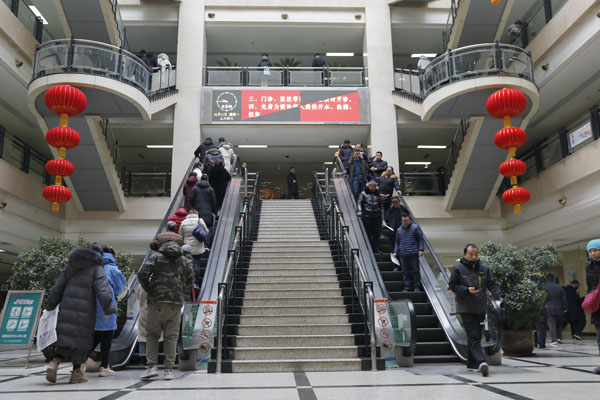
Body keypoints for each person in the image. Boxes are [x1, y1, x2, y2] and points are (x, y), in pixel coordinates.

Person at [45, 244, 117, 384]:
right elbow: (103, 290)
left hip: (67, 308)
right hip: (86, 312)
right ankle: (76, 373)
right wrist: (108, 309)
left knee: (65, 339)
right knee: (82, 342)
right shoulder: (97, 268)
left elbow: (58, 286)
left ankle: (54, 362)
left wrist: (50, 305)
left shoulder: (71, 266)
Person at [137, 240, 194, 380]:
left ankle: (152, 367)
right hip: (175, 302)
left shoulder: (156, 257)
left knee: (152, 335)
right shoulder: (184, 260)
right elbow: (191, 278)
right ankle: (168, 370)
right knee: (171, 337)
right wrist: (180, 291)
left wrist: (150, 289)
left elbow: (142, 273)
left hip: (156, 301)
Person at [449, 244, 503, 377]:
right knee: (473, 335)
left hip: (480, 308)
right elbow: (453, 285)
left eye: (476, 254)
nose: (473, 257)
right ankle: (481, 362)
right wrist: (466, 290)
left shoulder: (484, 269)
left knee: (476, 336)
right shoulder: (458, 268)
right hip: (466, 308)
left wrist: (500, 296)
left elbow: (492, 285)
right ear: (464, 254)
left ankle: (472, 364)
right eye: (470, 254)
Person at [86, 246, 127, 377]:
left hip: (91, 309)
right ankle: (104, 367)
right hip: (107, 308)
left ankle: (79, 365)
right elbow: (120, 288)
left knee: (92, 338)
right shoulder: (112, 269)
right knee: (106, 339)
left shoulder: (91, 269)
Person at [392, 213, 424, 289]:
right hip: (403, 254)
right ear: (401, 221)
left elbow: (420, 239)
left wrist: (421, 249)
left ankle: (417, 287)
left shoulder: (415, 228)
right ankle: (407, 287)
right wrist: (395, 251)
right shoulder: (399, 230)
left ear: (409, 220)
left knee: (415, 271)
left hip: (413, 253)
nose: (405, 222)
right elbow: (397, 242)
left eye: (407, 220)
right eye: (404, 220)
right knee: (405, 271)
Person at [179, 210, 209, 284]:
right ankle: (195, 282)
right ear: (197, 214)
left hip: (187, 247)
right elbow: (206, 231)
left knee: (187, 263)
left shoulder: (183, 222)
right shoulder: (199, 221)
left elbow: (180, 235)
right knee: (196, 263)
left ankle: (187, 281)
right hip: (198, 246)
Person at [541, 274, 567, 347]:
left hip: (549, 308)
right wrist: (565, 308)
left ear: (547, 279)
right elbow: (564, 298)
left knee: (551, 324)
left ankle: (553, 340)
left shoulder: (545, 287)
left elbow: (543, 299)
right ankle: (559, 338)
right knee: (559, 323)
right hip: (559, 308)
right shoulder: (560, 287)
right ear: (554, 279)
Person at [357, 181, 383, 253]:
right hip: (367, 216)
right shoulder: (363, 193)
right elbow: (359, 202)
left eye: (374, 186)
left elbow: (381, 206)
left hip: (376, 216)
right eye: (371, 186)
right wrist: (360, 210)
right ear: (368, 186)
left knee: (376, 233)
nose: (373, 188)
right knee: (368, 233)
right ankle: (368, 248)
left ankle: (376, 248)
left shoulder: (378, 194)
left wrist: (382, 217)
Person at [585, 239, 600, 363]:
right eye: (590, 251)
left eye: (595, 250)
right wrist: (589, 301)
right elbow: (589, 287)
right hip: (596, 305)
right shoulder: (589, 267)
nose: (593, 253)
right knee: (599, 336)